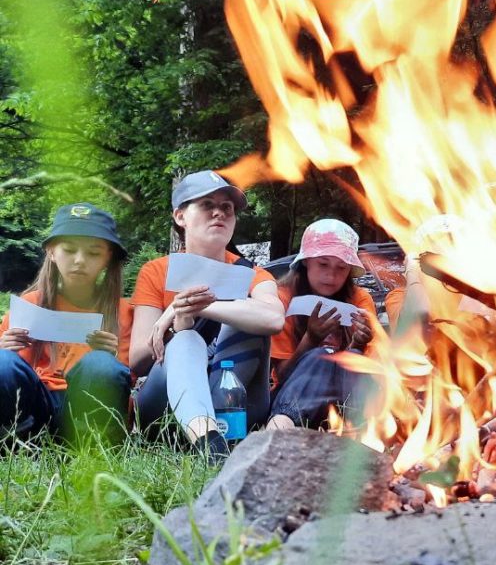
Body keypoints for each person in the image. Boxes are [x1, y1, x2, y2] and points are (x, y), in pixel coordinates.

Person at [129, 171, 284, 460]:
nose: (219, 213)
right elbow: (137, 360)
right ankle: (207, 440)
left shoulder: (253, 274)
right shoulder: (156, 271)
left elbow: (274, 319)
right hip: (166, 411)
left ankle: (212, 440)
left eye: (227, 207)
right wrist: (177, 325)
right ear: (180, 216)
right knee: (186, 338)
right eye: (206, 204)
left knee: (251, 316)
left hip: (236, 403)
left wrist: (196, 306)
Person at [0, 203, 132, 444]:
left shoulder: (124, 311)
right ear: (51, 251)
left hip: (88, 410)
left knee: (102, 364)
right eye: (69, 250)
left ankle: (91, 446)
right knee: (3, 362)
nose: (79, 261)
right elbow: (11, 374)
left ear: (108, 258)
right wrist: (6, 348)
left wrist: (111, 356)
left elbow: (131, 385)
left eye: (93, 253)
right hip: (36, 409)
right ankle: (16, 443)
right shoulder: (29, 304)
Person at [267, 219, 377, 429]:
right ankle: (278, 432)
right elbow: (280, 377)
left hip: (346, 403)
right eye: (323, 264)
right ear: (306, 261)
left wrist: (358, 344)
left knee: (352, 357)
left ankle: (359, 435)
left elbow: (371, 373)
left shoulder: (360, 299)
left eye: (342, 268)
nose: (331, 275)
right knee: (320, 355)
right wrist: (311, 339)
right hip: (293, 401)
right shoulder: (282, 297)